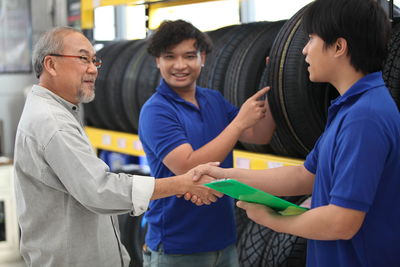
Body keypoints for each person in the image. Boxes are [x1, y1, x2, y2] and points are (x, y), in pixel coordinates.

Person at [191, 0, 400, 266]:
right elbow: (305, 176)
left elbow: (342, 222)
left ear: (338, 46)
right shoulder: (351, 108)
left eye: (311, 39)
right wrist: (224, 175)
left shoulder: (365, 117)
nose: (303, 50)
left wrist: (272, 220)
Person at [13, 26, 221, 267]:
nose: (93, 69)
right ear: (51, 64)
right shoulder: (53, 123)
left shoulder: (54, 112)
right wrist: (181, 184)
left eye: (94, 60)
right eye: (83, 59)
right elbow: (99, 190)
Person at [138, 20, 275, 267]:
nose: (180, 65)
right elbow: (188, 169)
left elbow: (259, 135)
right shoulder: (156, 111)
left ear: (202, 58)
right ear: (157, 60)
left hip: (224, 242)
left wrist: (275, 82)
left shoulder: (213, 100)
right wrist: (237, 124)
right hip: (176, 248)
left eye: (189, 56)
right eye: (170, 57)